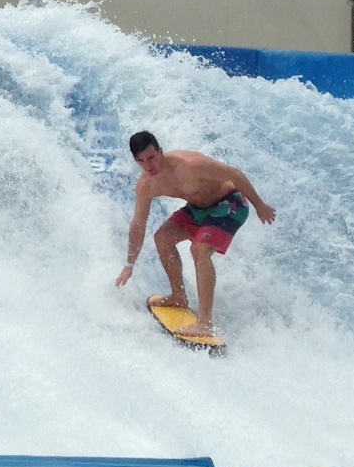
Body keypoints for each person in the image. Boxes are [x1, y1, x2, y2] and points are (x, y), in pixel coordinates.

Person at [112, 129, 275, 337]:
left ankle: (205, 323)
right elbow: (138, 225)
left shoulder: (190, 165)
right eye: (142, 161)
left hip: (230, 203)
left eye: (152, 157)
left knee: (199, 249)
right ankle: (179, 296)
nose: (149, 165)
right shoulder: (147, 185)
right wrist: (129, 265)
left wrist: (260, 205)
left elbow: (234, 174)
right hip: (199, 210)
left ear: (161, 152)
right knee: (162, 238)